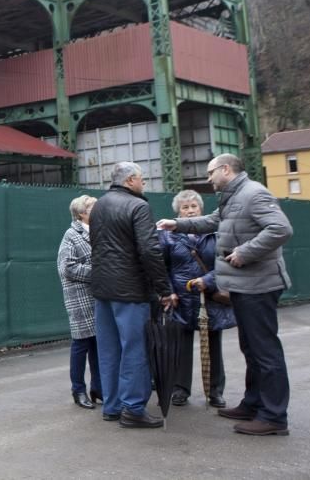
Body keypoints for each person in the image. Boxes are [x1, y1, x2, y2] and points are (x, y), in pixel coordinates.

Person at [158, 153, 293, 436]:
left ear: (226, 169)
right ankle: (254, 403)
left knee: (265, 351)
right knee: (251, 348)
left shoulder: (254, 194)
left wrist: (245, 252)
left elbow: (281, 228)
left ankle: (273, 416)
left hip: (259, 285)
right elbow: (213, 221)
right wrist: (177, 224)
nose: (208, 179)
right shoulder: (234, 197)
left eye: (210, 173)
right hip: (244, 286)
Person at [89, 162, 177, 429]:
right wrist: (164, 289)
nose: (144, 184)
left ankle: (113, 406)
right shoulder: (138, 206)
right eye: (142, 179)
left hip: (103, 289)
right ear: (129, 180)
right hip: (131, 290)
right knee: (135, 349)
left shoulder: (100, 206)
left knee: (109, 349)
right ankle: (133, 408)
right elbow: (150, 251)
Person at [158, 189, 236, 409]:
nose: (190, 211)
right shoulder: (167, 234)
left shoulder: (216, 232)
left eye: (194, 206)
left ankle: (215, 392)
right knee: (180, 346)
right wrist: (168, 291)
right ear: (177, 212)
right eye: (185, 207)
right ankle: (180, 389)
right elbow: (161, 267)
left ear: (201, 209)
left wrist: (208, 280)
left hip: (209, 297)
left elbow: (225, 262)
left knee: (213, 345)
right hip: (180, 299)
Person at [57, 194, 101, 409]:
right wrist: (100, 272)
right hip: (80, 299)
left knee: (96, 344)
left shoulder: (98, 231)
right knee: (81, 345)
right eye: (94, 207)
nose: (100, 209)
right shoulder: (71, 234)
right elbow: (67, 268)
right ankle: (78, 390)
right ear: (82, 213)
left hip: (97, 297)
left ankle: (98, 388)